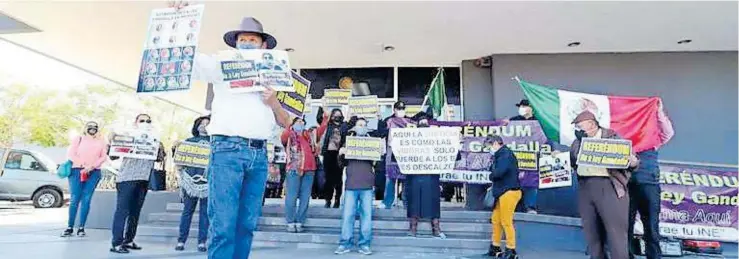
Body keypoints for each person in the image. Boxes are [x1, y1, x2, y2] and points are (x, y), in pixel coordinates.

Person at [171, 2, 292, 257]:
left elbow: (285, 122)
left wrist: (274, 102)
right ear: (236, 44)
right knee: (223, 225)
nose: (247, 43)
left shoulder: (276, 75)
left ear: (264, 46)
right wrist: (180, 22)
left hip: (259, 155)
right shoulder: (221, 64)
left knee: (246, 225)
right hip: (227, 151)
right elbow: (189, 60)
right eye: (243, 39)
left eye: (252, 39)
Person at [570, 111, 639, 259]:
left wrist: (632, 161)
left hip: (609, 186)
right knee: (592, 233)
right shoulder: (578, 142)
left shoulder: (612, 137)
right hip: (586, 186)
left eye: (580, 125)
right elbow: (572, 162)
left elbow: (631, 161)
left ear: (591, 123)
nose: (578, 129)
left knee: (616, 233)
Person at [110, 114, 165, 253]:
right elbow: (113, 155)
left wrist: (158, 147)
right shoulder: (127, 135)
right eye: (142, 120)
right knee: (122, 210)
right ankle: (116, 242)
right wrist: (113, 141)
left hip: (144, 178)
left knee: (135, 212)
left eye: (148, 121)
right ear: (136, 122)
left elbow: (159, 158)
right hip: (126, 177)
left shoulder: (155, 138)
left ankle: (129, 240)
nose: (145, 123)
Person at [628, 103, 674, 259]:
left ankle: (653, 256)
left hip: (649, 185)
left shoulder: (654, 138)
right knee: (625, 225)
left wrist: (659, 111)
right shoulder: (622, 138)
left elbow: (669, 132)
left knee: (652, 226)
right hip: (625, 185)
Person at [334, 118, 375, 255]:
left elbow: (378, 165)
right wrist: (340, 155)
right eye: (359, 125)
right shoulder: (348, 143)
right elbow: (341, 165)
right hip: (351, 185)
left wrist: (378, 156)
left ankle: (364, 244)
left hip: (367, 185)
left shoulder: (373, 144)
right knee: (348, 216)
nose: (362, 127)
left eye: (364, 125)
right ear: (354, 128)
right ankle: (345, 243)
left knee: (366, 217)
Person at [62, 121, 108, 238]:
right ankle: (70, 227)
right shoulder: (79, 139)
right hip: (77, 170)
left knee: (86, 199)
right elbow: (71, 154)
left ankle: (81, 227)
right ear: (85, 128)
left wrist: (91, 167)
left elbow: (103, 156)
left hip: (93, 172)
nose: (92, 129)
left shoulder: (102, 141)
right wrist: (83, 165)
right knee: (75, 198)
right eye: (90, 127)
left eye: (95, 127)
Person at [405, 112, 445, 239]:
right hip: (414, 175)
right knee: (414, 201)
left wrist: (455, 143)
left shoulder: (436, 139)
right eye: (421, 123)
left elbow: (449, 153)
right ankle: (412, 229)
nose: (423, 124)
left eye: (425, 123)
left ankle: (436, 229)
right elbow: (398, 155)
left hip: (431, 175)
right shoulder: (409, 139)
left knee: (433, 201)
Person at [174, 116, 211, 252]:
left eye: (208, 124)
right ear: (196, 126)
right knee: (187, 211)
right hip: (189, 182)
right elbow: (179, 162)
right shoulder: (188, 142)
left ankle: (202, 241)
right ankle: (181, 240)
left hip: (208, 182)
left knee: (205, 213)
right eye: (202, 123)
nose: (204, 126)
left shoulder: (216, 143)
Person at [484, 135, 522, 259]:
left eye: (489, 146)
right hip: (502, 191)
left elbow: (498, 172)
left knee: (506, 221)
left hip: (509, 191)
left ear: (495, 143)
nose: (489, 149)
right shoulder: (500, 155)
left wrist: (491, 175)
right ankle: (495, 246)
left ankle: (511, 249)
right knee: (496, 219)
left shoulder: (505, 155)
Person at [281, 117, 318, 233]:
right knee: (291, 196)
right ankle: (290, 221)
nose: (300, 123)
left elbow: (321, 129)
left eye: (302, 121)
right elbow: (284, 135)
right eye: (298, 121)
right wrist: (288, 122)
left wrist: (326, 115)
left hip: (310, 169)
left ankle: (300, 221)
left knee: (305, 197)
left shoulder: (308, 136)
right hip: (294, 169)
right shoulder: (288, 135)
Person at [375, 101, 410, 209]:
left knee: (406, 179)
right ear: (394, 110)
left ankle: (406, 203)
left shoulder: (409, 121)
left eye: (402, 108)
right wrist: (380, 120)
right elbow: (380, 133)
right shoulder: (388, 120)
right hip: (392, 152)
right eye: (398, 109)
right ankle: (387, 202)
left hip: (406, 154)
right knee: (390, 178)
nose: (401, 111)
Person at [316, 108, 348, 208]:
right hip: (328, 154)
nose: (337, 117)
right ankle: (328, 199)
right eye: (335, 115)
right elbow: (319, 118)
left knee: (338, 179)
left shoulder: (344, 126)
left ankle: (337, 199)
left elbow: (352, 122)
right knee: (328, 179)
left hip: (339, 155)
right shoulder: (328, 126)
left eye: (339, 115)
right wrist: (322, 106)